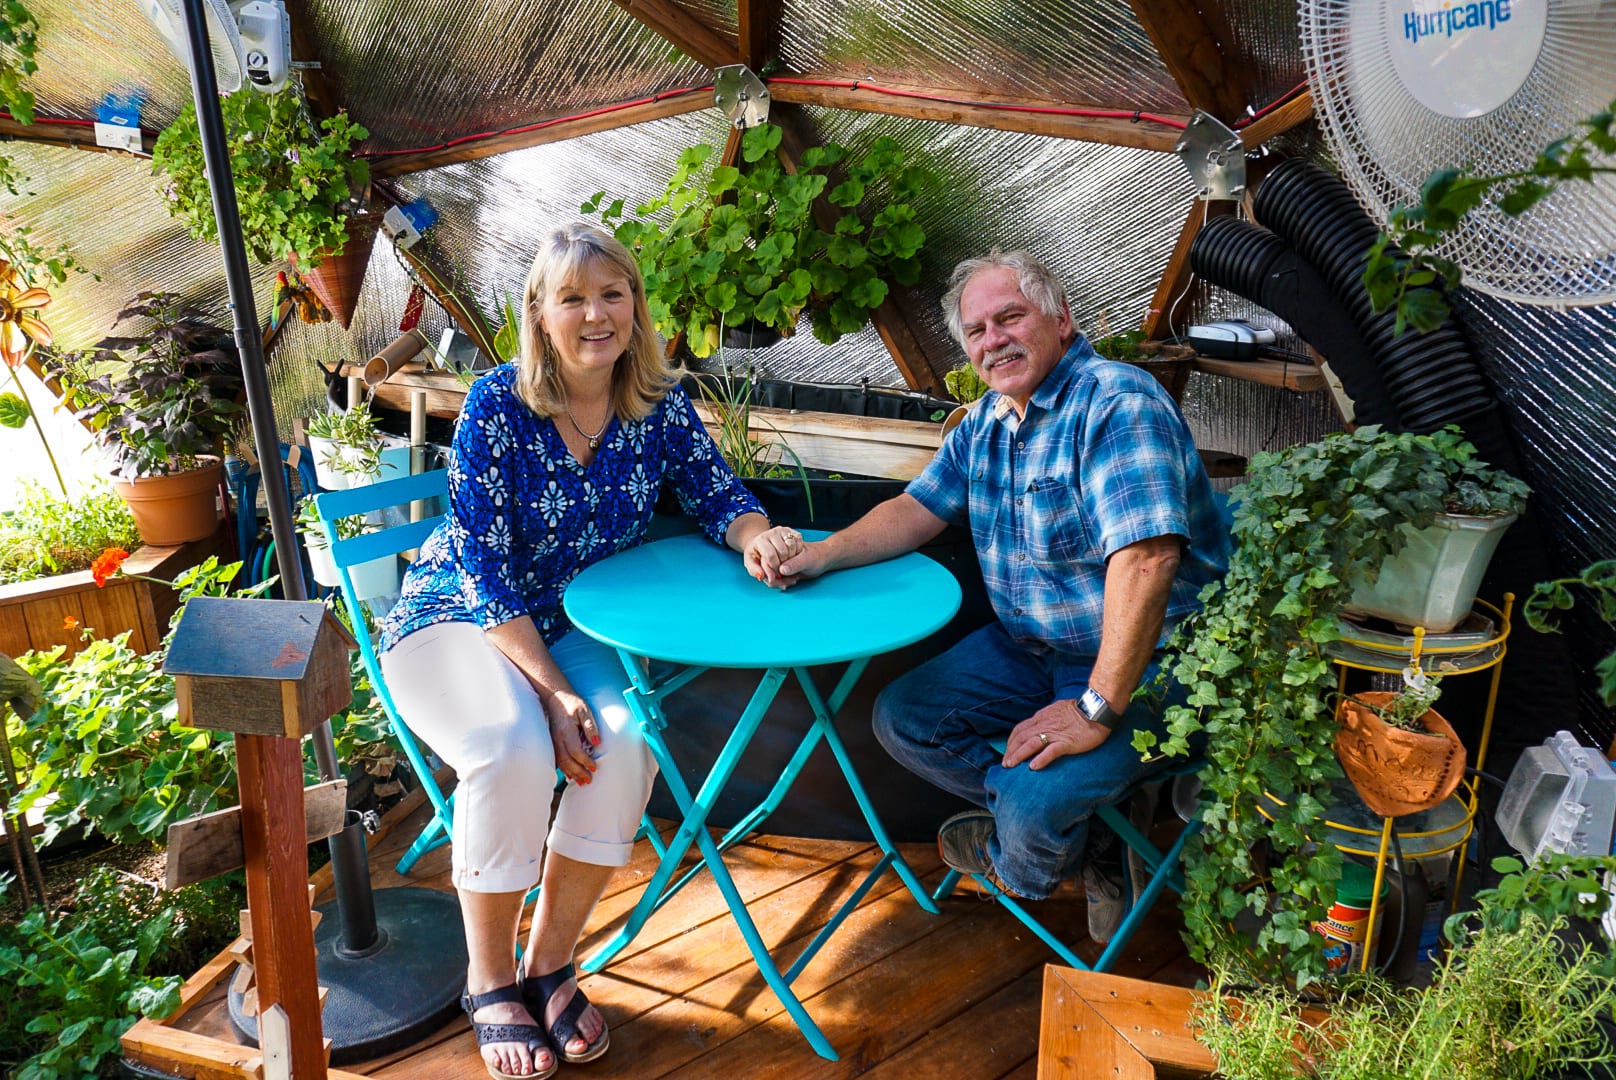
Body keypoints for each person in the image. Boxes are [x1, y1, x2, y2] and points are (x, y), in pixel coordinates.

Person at [377, 223, 804, 1080]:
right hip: (459, 619)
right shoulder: (497, 407)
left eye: (613, 294)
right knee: (511, 749)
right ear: (539, 314)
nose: (596, 314)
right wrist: (549, 692)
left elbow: (718, 493)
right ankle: (488, 976)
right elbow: (486, 572)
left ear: (636, 308)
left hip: (576, 626)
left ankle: (548, 963)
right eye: (573, 297)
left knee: (625, 747)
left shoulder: (658, 403)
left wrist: (759, 536)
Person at [753, 250, 1230, 937]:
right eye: (976, 331)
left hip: (1160, 659)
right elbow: (918, 508)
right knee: (905, 717)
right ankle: (1091, 837)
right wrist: (820, 554)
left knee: (1036, 804)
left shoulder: (1116, 403)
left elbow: (1148, 559)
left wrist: (1096, 706)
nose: (993, 340)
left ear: (1061, 320)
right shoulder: (987, 422)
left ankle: (1029, 859)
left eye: (1010, 317)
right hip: (1034, 651)